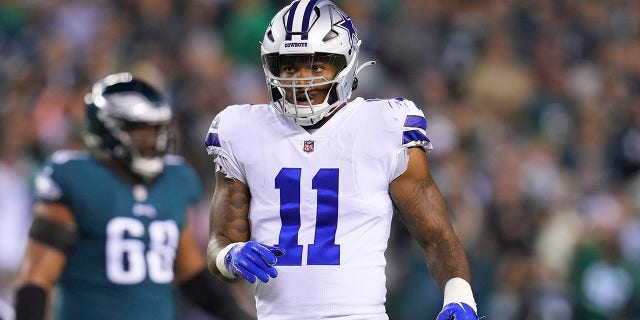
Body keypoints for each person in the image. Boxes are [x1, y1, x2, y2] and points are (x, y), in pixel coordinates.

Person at [204, 1, 479, 319]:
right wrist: (230, 256)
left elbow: (436, 235)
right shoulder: (242, 130)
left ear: (345, 65)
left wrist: (459, 296)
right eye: (290, 67)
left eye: (315, 67)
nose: (301, 81)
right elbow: (219, 242)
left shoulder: (383, 126)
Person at [14, 72, 253, 320]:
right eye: (141, 132)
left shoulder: (175, 180)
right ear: (106, 130)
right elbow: (36, 279)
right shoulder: (76, 178)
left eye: (157, 130)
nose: (153, 141)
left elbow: (189, 272)